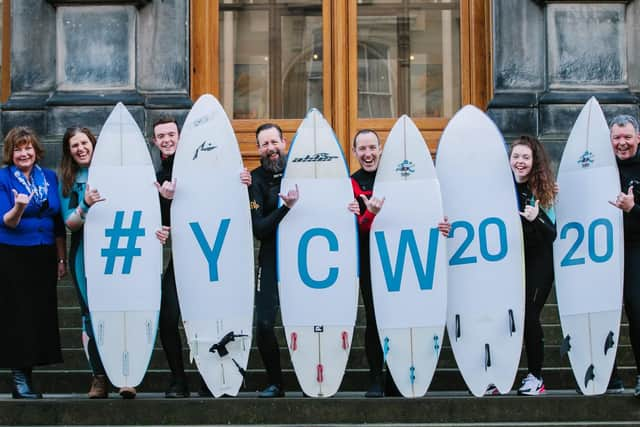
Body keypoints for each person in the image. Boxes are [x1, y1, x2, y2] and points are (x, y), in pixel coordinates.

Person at [59, 126, 171, 399]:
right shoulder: (70, 180)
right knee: (90, 316)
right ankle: (99, 377)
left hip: (124, 250)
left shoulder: (120, 173)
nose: (81, 148)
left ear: (93, 143)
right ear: (69, 151)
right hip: (85, 255)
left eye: (84, 142)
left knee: (126, 308)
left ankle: (126, 375)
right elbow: (70, 224)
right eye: (74, 145)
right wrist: (84, 204)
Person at [152, 116, 251, 398]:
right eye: (161, 136)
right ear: (155, 141)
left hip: (216, 252)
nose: (167, 140)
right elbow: (160, 222)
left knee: (215, 314)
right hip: (184, 255)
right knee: (168, 318)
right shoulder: (159, 175)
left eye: (171, 134)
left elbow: (235, 198)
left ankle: (213, 379)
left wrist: (245, 182)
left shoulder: (207, 164)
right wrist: (165, 200)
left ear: (180, 136)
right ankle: (178, 380)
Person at [347, 129, 450, 397]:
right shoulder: (352, 184)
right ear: (355, 152)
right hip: (371, 260)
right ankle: (375, 379)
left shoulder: (401, 177)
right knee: (374, 317)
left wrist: (440, 225)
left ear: (380, 149)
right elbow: (354, 229)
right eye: (362, 149)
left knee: (402, 314)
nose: (368, 154)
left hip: (406, 259)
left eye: (372, 148)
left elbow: (421, 212)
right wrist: (369, 214)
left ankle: (397, 375)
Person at [0, 126, 66, 398]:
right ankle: (19, 379)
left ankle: (29, 374)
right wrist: (19, 206)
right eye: (18, 149)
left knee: (39, 315)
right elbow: (8, 221)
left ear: (36, 151)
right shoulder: (3, 179)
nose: (24, 153)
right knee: (18, 315)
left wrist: (61, 257)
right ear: (10, 153)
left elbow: (58, 222)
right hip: (13, 253)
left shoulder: (49, 177)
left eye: (28, 148)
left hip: (44, 254)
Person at [249, 123, 299, 398]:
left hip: (303, 261)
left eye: (274, 142)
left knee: (306, 321)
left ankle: (310, 379)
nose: (270, 149)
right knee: (265, 324)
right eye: (264, 144)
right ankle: (276, 383)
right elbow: (259, 228)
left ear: (284, 142)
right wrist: (285, 209)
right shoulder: (255, 181)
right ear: (258, 149)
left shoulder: (301, 173)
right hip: (270, 258)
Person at [505, 135, 556, 396]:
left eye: (526, 157)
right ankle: (499, 375)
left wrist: (537, 218)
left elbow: (553, 234)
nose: (520, 162)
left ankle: (536, 377)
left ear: (534, 160)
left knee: (529, 316)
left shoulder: (544, 189)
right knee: (506, 316)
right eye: (516, 156)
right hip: (511, 260)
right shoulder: (501, 187)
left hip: (539, 263)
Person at [608, 114, 640, 396]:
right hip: (603, 252)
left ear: (638, 138)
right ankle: (608, 376)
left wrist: (633, 209)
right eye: (617, 138)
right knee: (602, 311)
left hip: (635, 249)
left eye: (627, 137)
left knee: (637, 311)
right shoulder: (598, 168)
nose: (622, 143)